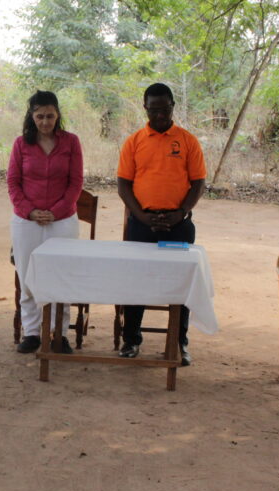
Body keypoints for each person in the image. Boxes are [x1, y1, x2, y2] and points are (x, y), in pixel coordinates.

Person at [116, 82, 207, 364]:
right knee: (135, 281)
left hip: (177, 225)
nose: (159, 116)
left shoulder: (188, 141)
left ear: (172, 107)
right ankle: (131, 339)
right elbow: (123, 185)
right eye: (154, 110)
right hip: (142, 224)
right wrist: (141, 216)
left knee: (180, 283)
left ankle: (178, 342)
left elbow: (198, 183)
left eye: (165, 110)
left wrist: (180, 213)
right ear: (145, 108)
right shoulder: (133, 142)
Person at [7, 90, 84, 354]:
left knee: (62, 276)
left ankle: (59, 335)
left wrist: (56, 211)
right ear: (31, 116)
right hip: (26, 222)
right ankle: (31, 333)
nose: (45, 121)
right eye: (39, 116)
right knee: (27, 276)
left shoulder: (71, 142)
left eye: (50, 116)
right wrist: (29, 211)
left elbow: (76, 183)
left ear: (58, 115)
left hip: (62, 220)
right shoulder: (21, 144)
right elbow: (13, 183)